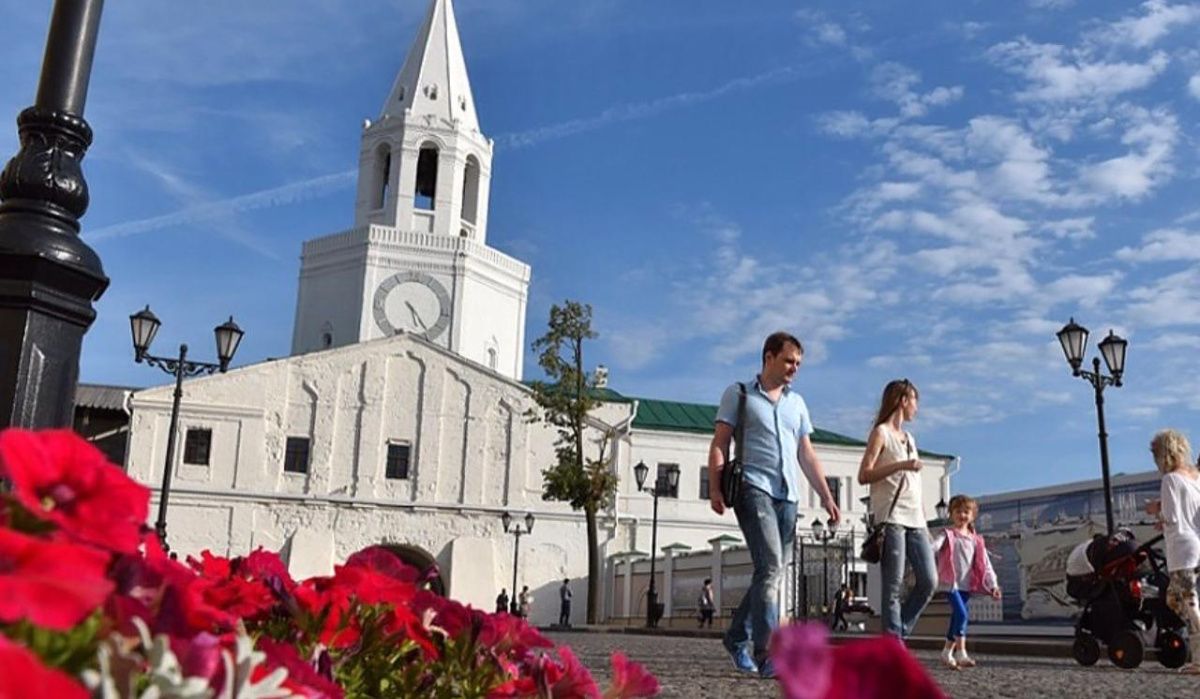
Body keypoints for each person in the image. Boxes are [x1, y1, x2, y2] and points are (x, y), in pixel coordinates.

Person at [708, 331, 841, 678]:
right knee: (769, 568)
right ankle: (768, 654)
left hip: (788, 497)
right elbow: (720, 443)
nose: (794, 368)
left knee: (771, 572)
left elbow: (806, 454)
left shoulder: (797, 404)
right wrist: (715, 488)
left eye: (798, 363)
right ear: (768, 357)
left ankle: (736, 636)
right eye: (788, 361)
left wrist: (826, 496)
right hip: (753, 488)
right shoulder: (739, 394)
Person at [857, 378, 936, 639]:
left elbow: (915, 485)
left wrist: (924, 521)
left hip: (916, 520)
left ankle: (897, 633)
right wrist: (901, 465)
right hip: (892, 518)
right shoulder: (881, 433)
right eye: (914, 401)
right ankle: (893, 644)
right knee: (893, 585)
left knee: (929, 581)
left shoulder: (910, 438)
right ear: (903, 401)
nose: (916, 408)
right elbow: (864, 475)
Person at [1147, 429, 1200, 675]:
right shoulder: (1195, 478)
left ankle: (1199, 661)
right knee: (1173, 599)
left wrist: (1156, 512)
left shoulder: (1169, 480)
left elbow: (1172, 517)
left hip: (1182, 549)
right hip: (1196, 544)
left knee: (1188, 603)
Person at [931, 494, 1001, 669]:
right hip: (950, 583)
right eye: (958, 511)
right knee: (962, 614)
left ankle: (947, 652)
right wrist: (923, 550)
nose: (962, 515)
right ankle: (961, 653)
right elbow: (934, 547)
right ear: (951, 514)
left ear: (972, 516)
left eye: (966, 512)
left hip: (967, 584)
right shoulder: (947, 534)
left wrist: (993, 584)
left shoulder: (976, 540)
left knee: (957, 617)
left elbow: (986, 564)